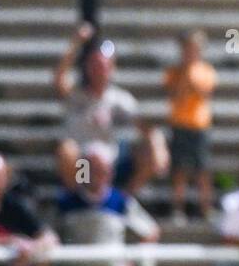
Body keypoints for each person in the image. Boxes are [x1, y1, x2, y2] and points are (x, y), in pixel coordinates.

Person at [53, 22, 168, 196]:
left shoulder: (120, 99)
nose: (100, 70)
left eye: (104, 65)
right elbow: (59, 78)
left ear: (112, 68)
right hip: (83, 165)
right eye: (95, 64)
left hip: (110, 163)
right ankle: (79, 198)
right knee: (67, 150)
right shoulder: (76, 94)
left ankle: (123, 199)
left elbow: (147, 128)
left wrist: (159, 147)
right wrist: (76, 42)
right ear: (87, 66)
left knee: (147, 152)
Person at [164, 29, 217, 224]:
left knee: (203, 169)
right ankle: (178, 209)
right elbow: (173, 97)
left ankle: (206, 208)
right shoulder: (173, 72)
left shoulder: (206, 70)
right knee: (179, 170)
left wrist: (191, 80)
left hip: (199, 125)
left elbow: (206, 93)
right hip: (179, 124)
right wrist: (184, 78)